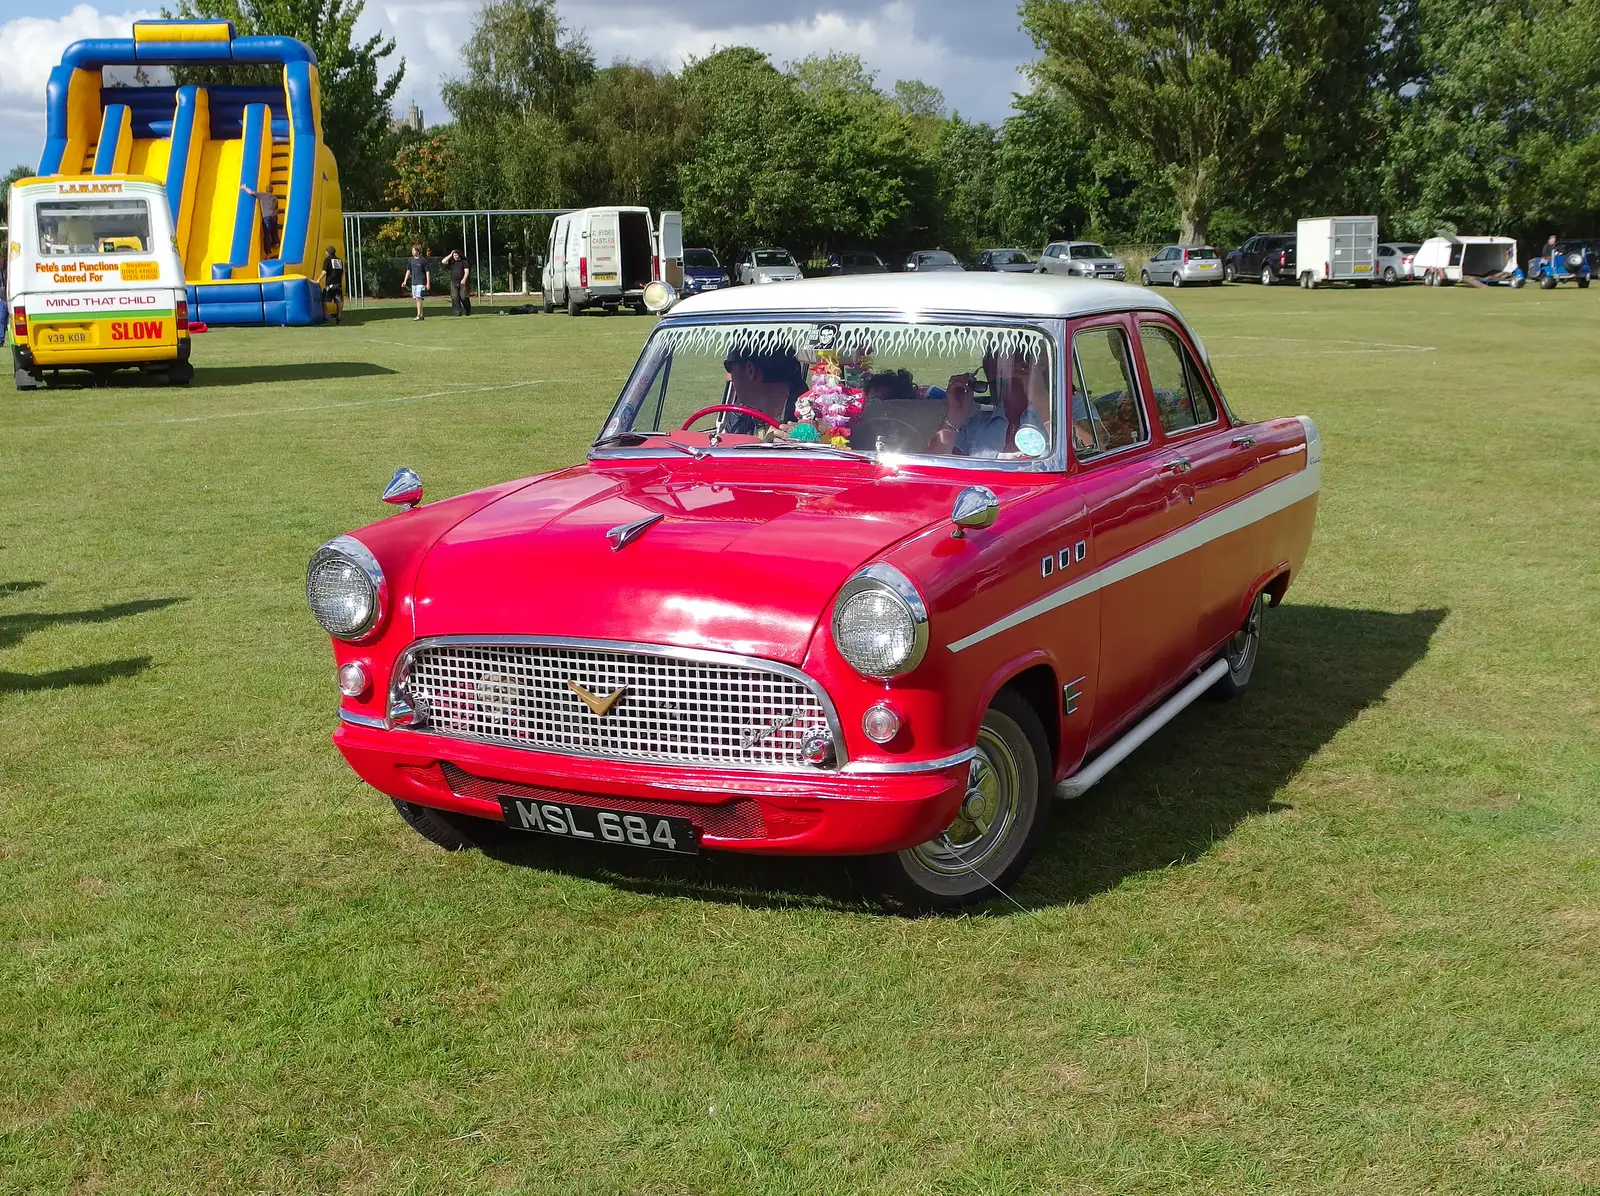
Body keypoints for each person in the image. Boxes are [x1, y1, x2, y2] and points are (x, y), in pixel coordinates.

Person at [926, 349, 1050, 458]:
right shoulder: (976, 426)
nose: (1001, 389)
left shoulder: (1064, 414)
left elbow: (1069, 455)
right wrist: (954, 416)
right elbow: (931, 470)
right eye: (995, 383)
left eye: (1011, 379)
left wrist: (1040, 398)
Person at [722, 349, 805, 433]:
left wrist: (799, 442)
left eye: (729, 367)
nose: (730, 377)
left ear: (750, 370)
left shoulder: (809, 416)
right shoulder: (738, 415)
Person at [239, 183, 279, 258]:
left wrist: (244, 188)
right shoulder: (275, 198)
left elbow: (251, 192)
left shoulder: (262, 195)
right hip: (274, 216)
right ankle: (276, 243)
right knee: (274, 230)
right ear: (272, 191)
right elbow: (276, 207)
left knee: (267, 234)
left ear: (266, 190)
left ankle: (268, 252)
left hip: (267, 217)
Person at [400, 245, 429, 321]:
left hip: (421, 282)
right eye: (412, 250)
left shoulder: (423, 260)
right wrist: (405, 281)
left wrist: (428, 283)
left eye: (414, 250)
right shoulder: (410, 260)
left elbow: (427, 272)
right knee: (417, 299)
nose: (412, 252)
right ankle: (422, 315)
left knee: (419, 298)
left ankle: (418, 315)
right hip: (414, 282)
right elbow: (408, 270)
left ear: (418, 251)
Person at [318, 246, 345, 325]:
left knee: (324, 301)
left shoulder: (327, 259)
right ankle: (339, 318)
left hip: (330, 284)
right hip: (338, 284)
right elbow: (342, 273)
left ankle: (326, 317)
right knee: (338, 301)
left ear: (327, 252)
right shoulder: (339, 261)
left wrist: (318, 280)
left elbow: (324, 272)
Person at [443, 250, 472, 316]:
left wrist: (464, 279)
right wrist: (450, 255)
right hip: (454, 282)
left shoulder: (464, 262)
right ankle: (457, 312)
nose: (455, 257)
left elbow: (467, 271)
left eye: (456, 255)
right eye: (454, 256)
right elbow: (443, 261)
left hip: (462, 282)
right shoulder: (452, 262)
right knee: (455, 297)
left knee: (463, 297)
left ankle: (468, 309)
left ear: (459, 255)